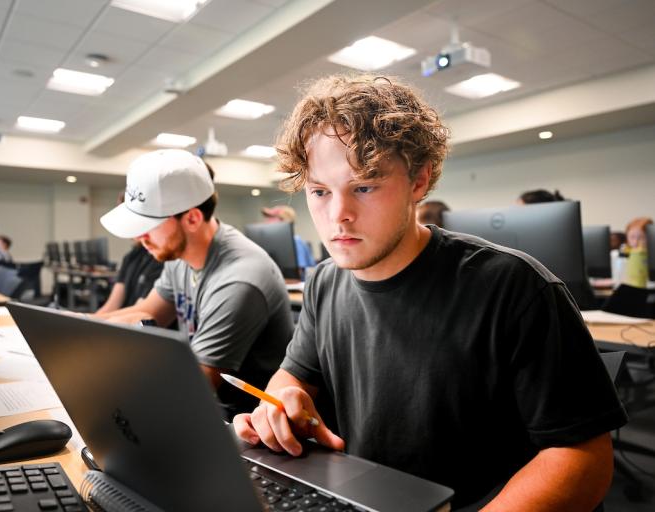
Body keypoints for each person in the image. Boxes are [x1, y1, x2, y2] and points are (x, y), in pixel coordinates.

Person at [232, 75, 627, 509]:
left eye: (364, 187)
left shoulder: (515, 287)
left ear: (419, 180)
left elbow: (583, 459)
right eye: (320, 192)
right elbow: (294, 375)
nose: (337, 215)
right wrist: (283, 399)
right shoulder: (326, 282)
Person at [97, 149, 294, 418]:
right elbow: (148, 313)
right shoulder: (179, 255)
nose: (140, 237)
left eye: (149, 224)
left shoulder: (239, 278)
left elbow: (195, 386)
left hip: (245, 425)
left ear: (192, 219)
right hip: (209, 407)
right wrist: (72, 327)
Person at [95, 240, 163, 315]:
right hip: (121, 320)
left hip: (135, 323)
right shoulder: (132, 256)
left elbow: (140, 312)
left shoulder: (161, 259)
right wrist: (90, 319)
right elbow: (112, 304)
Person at [261, 205, 317, 278]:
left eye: (272, 218)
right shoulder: (276, 244)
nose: (267, 221)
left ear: (284, 220)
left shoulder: (295, 242)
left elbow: (298, 272)